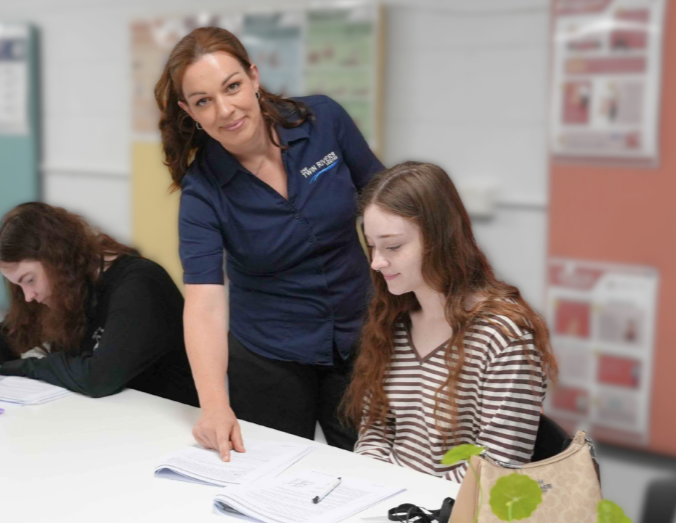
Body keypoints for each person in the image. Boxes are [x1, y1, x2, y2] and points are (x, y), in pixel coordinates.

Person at [154, 27, 384, 459]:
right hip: (269, 357)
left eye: (232, 86)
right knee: (272, 474)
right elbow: (204, 303)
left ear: (254, 77)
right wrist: (214, 405)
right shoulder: (203, 191)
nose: (225, 110)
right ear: (189, 112)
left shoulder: (322, 121)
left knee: (373, 469)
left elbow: (386, 207)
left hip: (362, 337)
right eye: (203, 101)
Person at [344, 162, 557, 482]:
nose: (376, 262)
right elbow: (375, 433)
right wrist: (373, 486)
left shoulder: (504, 335)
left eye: (393, 246)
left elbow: (496, 467)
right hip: (393, 499)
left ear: (439, 239)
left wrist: (412, 500)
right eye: (372, 246)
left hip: (453, 504)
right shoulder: (393, 319)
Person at [0, 202, 198, 405]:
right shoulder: (67, 286)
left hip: (166, 421)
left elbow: (98, 378)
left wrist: (20, 367)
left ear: (57, 258)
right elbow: (14, 330)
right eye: (19, 285)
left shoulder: (139, 285)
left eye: (30, 280)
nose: (28, 296)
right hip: (112, 413)